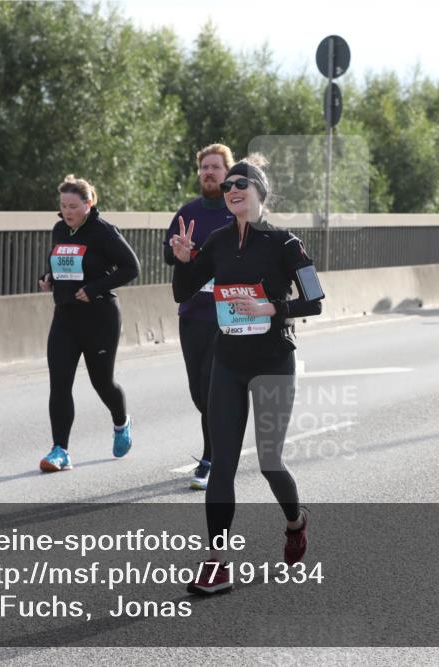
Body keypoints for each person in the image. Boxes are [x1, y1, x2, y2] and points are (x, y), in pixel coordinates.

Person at [170, 155, 325, 595]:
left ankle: (296, 521)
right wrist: (184, 260)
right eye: (228, 185)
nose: (232, 188)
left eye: (242, 183)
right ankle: (216, 563)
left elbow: (315, 299)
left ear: (260, 192)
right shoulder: (217, 241)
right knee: (222, 465)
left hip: (274, 361)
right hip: (229, 362)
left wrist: (273, 307)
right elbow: (183, 292)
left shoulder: (285, 243)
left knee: (271, 462)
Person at [37, 175, 140, 472]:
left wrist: (94, 288)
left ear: (88, 203)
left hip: (100, 318)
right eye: (62, 205)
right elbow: (59, 264)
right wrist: (48, 278)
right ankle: (60, 450)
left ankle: (121, 423)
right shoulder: (60, 230)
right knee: (59, 384)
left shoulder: (104, 232)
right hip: (65, 317)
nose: (66, 211)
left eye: (72, 206)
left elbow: (131, 268)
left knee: (102, 382)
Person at [163, 144, 235, 490]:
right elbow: (168, 255)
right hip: (193, 314)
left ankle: (211, 459)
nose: (209, 172)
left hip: (228, 317)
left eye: (215, 167)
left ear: (227, 172)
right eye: (204, 167)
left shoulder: (237, 211)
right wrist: (180, 253)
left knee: (212, 387)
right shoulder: (187, 212)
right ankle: (219, 443)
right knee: (198, 394)